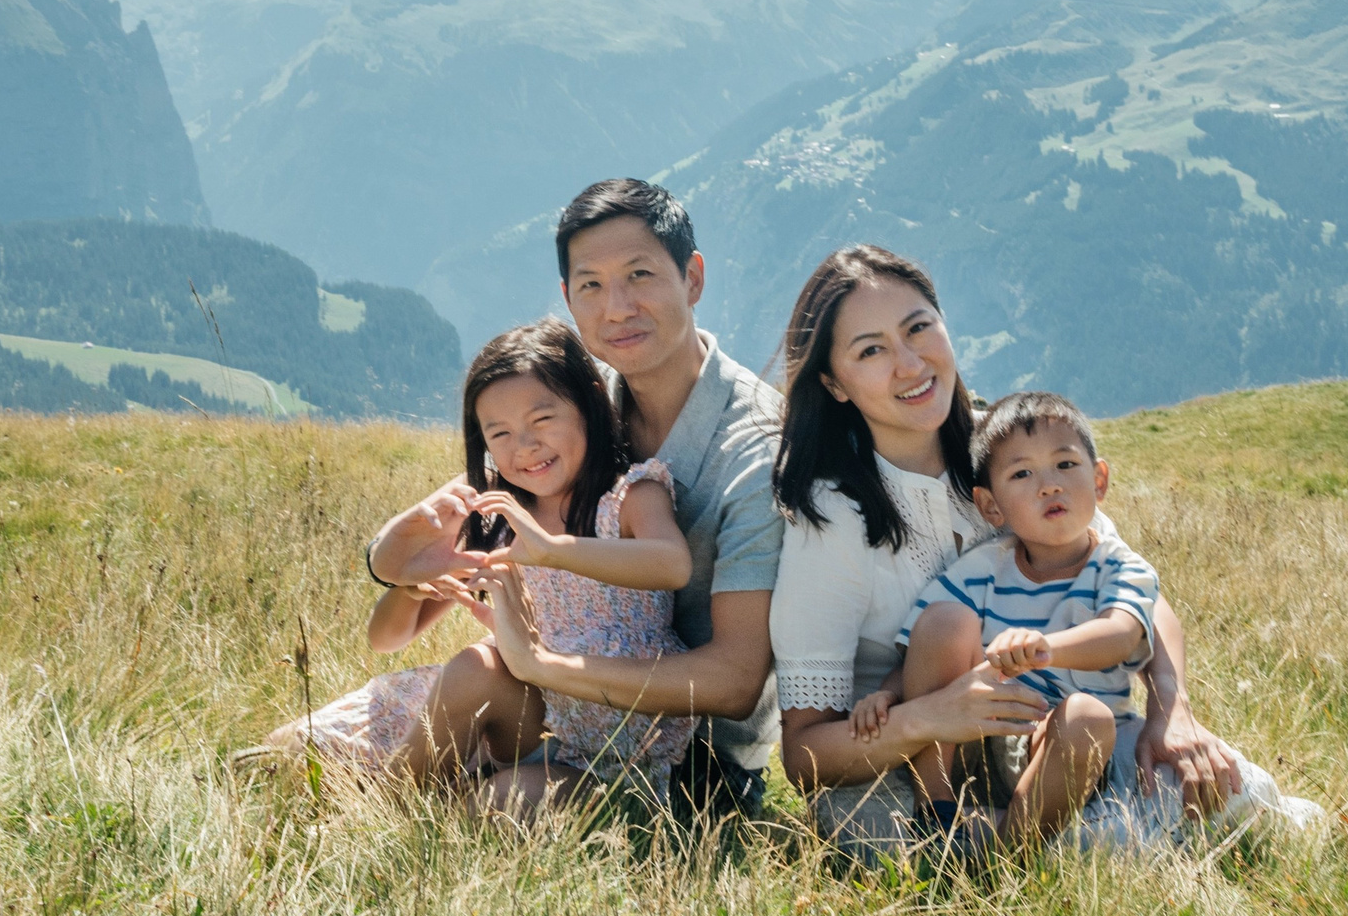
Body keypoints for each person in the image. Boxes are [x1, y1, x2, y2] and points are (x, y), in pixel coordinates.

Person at [767, 245, 1281, 861]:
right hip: (905, 763)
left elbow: (1130, 583)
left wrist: (1174, 711)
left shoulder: (1009, 449)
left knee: (1236, 797)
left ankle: (1042, 840)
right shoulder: (832, 518)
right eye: (871, 350)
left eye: (918, 328)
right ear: (834, 383)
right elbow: (803, 757)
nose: (909, 363)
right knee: (899, 854)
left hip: (1055, 734)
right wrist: (929, 717)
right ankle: (1038, 845)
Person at [365, 179, 784, 825]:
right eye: (590, 284)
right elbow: (454, 546)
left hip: (691, 760)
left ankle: (464, 792)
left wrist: (547, 664)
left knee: (497, 802)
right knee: (383, 716)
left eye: (640, 274)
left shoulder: (755, 449)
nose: (617, 307)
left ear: (692, 278)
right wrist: (388, 562)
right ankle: (376, 820)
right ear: (567, 298)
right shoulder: (574, 406)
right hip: (558, 710)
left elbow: (733, 683)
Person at [260, 320, 696, 811]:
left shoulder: (630, 494)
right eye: (500, 433)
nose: (524, 446)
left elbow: (672, 563)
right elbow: (385, 639)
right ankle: (399, 796)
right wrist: (413, 588)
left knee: (491, 805)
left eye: (543, 419)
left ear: (590, 403)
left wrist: (552, 548)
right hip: (523, 717)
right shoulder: (501, 509)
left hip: (617, 744)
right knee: (278, 759)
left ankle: (383, 817)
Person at [885, 391, 1313, 850]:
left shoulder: (1121, 567)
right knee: (944, 619)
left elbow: (1121, 632)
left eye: (1065, 465)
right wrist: (888, 696)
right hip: (1003, 736)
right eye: (1022, 473)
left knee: (1225, 783)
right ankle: (937, 813)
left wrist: (1046, 648)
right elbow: (929, 644)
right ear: (992, 507)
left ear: (1100, 478)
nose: (1049, 485)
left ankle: (1004, 844)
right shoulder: (982, 569)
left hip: (1095, 747)